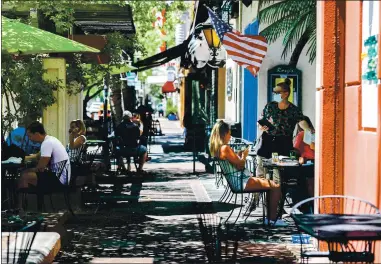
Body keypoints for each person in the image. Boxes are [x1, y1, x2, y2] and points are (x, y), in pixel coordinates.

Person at [210, 120, 283, 224]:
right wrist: (244, 156)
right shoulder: (225, 148)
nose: (230, 137)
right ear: (223, 134)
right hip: (241, 181)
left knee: (268, 183)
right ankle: (272, 219)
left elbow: (235, 164)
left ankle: (270, 218)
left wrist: (239, 156)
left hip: (238, 180)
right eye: (229, 134)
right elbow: (240, 166)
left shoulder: (217, 149)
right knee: (276, 186)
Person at [256, 78, 311, 177]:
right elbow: (260, 120)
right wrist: (261, 127)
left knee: (278, 174)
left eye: (277, 92)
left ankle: (276, 191)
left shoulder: (294, 110)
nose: (274, 94)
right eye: (274, 92)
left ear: (285, 94)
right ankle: (259, 191)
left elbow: (302, 122)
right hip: (266, 142)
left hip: (283, 145)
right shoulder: (270, 106)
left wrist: (310, 131)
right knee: (261, 173)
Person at [19, 121, 70, 189]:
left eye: (30, 136)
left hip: (59, 180)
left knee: (25, 176)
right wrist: (22, 158)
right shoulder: (50, 139)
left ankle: (25, 198)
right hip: (62, 176)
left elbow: (40, 168)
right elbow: (38, 156)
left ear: (36, 134)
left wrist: (29, 170)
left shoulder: (47, 143)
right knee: (26, 172)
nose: (29, 139)